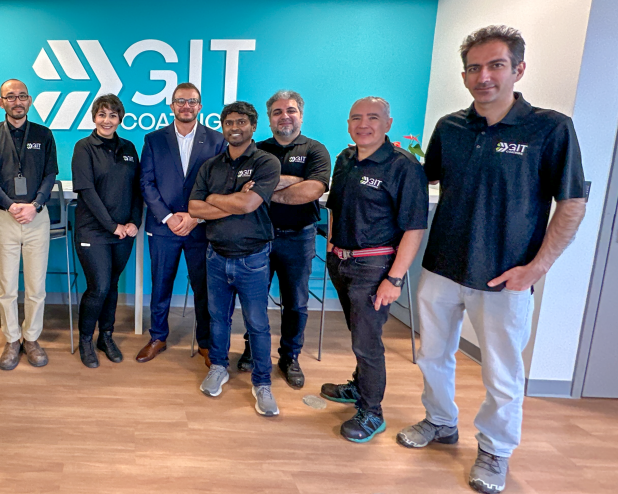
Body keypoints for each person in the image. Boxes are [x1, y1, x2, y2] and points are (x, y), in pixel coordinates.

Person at [397, 26, 587, 494]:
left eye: (495, 65)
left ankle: (496, 449)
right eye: (474, 68)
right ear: (464, 75)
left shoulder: (550, 128)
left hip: (506, 275)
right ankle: (440, 421)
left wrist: (537, 268)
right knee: (432, 355)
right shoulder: (450, 128)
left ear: (518, 69)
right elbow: (425, 179)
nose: (484, 76)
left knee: (502, 372)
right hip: (441, 265)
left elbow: (572, 203)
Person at [320, 96, 429, 442]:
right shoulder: (345, 158)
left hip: (375, 265)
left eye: (372, 117)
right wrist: (332, 246)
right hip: (342, 260)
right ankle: (359, 386)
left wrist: (394, 279)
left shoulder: (403, 166)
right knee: (358, 332)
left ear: (388, 124)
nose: (363, 125)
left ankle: (372, 411)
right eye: (356, 118)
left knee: (367, 342)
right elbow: (335, 207)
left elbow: (414, 227)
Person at [189, 101, 281, 416]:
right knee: (218, 318)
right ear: (223, 127)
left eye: (241, 122)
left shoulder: (266, 162)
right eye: (229, 122)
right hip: (216, 255)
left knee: (257, 323)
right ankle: (218, 366)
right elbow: (194, 208)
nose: (234, 127)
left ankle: (262, 383)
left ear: (253, 126)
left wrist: (215, 199)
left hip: (252, 259)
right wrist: (233, 198)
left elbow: (248, 205)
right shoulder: (210, 166)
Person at [237, 90, 331, 388]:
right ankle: (253, 349)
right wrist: (294, 181)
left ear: (300, 115)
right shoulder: (257, 149)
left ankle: (289, 357)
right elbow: (245, 188)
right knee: (254, 299)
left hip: (298, 237)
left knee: (296, 302)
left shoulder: (315, 150)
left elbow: (313, 190)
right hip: (259, 237)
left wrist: (267, 189)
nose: (284, 116)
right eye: (277, 112)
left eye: (290, 110)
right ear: (269, 119)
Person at [137, 82, 225, 366]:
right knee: (160, 285)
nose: (186, 106)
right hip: (163, 226)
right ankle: (158, 337)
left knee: (204, 288)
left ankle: (206, 344)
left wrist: (195, 217)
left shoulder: (217, 140)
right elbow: (146, 182)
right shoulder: (154, 139)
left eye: (192, 101)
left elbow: (220, 185)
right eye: (180, 101)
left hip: (200, 227)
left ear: (200, 106)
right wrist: (168, 216)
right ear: (172, 106)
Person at [0, 79, 57, 370]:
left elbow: (50, 175)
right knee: (7, 287)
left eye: (22, 96)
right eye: (10, 96)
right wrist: (11, 205)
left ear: (30, 100)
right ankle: (12, 339)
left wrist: (35, 205)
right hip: (5, 216)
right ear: (1, 102)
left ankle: (31, 338)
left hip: (36, 216)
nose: (17, 101)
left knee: (36, 286)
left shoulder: (43, 134)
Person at [72, 94, 142, 368]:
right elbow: (87, 192)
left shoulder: (128, 148)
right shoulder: (84, 147)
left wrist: (134, 222)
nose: (107, 120)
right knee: (98, 286)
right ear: (94, 117)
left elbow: (137, 189)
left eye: (113, 115)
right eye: (102, 114)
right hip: (93, 231)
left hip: (123, 233)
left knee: (112, 284)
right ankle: (85, 340)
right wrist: (112, 226)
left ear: (120, 119)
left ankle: (106, 336)